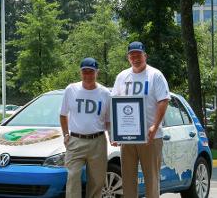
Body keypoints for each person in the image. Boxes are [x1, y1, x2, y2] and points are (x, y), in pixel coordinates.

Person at [112, 41, 170, 198]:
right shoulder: (122, 76)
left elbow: (163, 101)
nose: (136, 58)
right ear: (128, 58)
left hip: (150, 138)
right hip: (127, 138)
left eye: (139, 55)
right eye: (132, 55)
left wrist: (155, 126)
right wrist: (114, 132)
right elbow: (115, 104)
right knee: (128, 181)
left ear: (145, 56)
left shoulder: (155, 75)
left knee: (151, 179)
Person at [59, 57, 111, 198]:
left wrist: (114, 136)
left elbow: (108, 121)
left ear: (97, 73)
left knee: (97, 181)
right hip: (76, 140)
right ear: (80, 73)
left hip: (98, 142)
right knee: (73, 177)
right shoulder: (71, 89)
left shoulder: (105, 93)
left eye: (91, 72)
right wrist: (65, 135)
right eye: (85, 72)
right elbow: (63, 115)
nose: (88, 75)